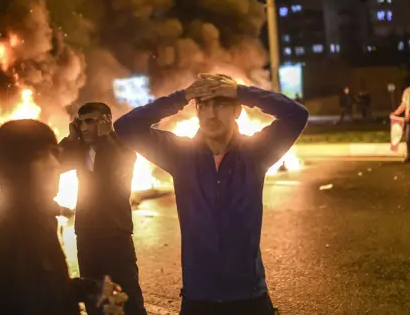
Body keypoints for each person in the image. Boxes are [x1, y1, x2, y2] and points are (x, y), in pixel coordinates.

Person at [114, 74, 309, 315]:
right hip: (198, 298)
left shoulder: (255, 154)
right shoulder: (180, 155)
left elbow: (297, 115)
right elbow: (125, 127)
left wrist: (243, 92)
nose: (211, 113)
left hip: (249, 297)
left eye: (222, 103)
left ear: (237, 110)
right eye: (203, 105)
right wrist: (182, 96)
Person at [0, 120, 100, 315]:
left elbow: (40, 292)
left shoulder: (40, 219)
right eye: (42, 156)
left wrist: (89, 290)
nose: (54, 164)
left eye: (55, 153)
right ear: (16, 168)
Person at [59, 102, 146, 315]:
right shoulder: (79, 148)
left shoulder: (122, 149)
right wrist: (70, 138)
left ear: (106, 121)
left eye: (90, 121)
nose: (84, 128)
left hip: (115, 232)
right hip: (87, 233)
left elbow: (115, 169)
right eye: (80, 123)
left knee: (127, 294)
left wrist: (107, 137)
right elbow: (57, 161)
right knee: (94, 295)